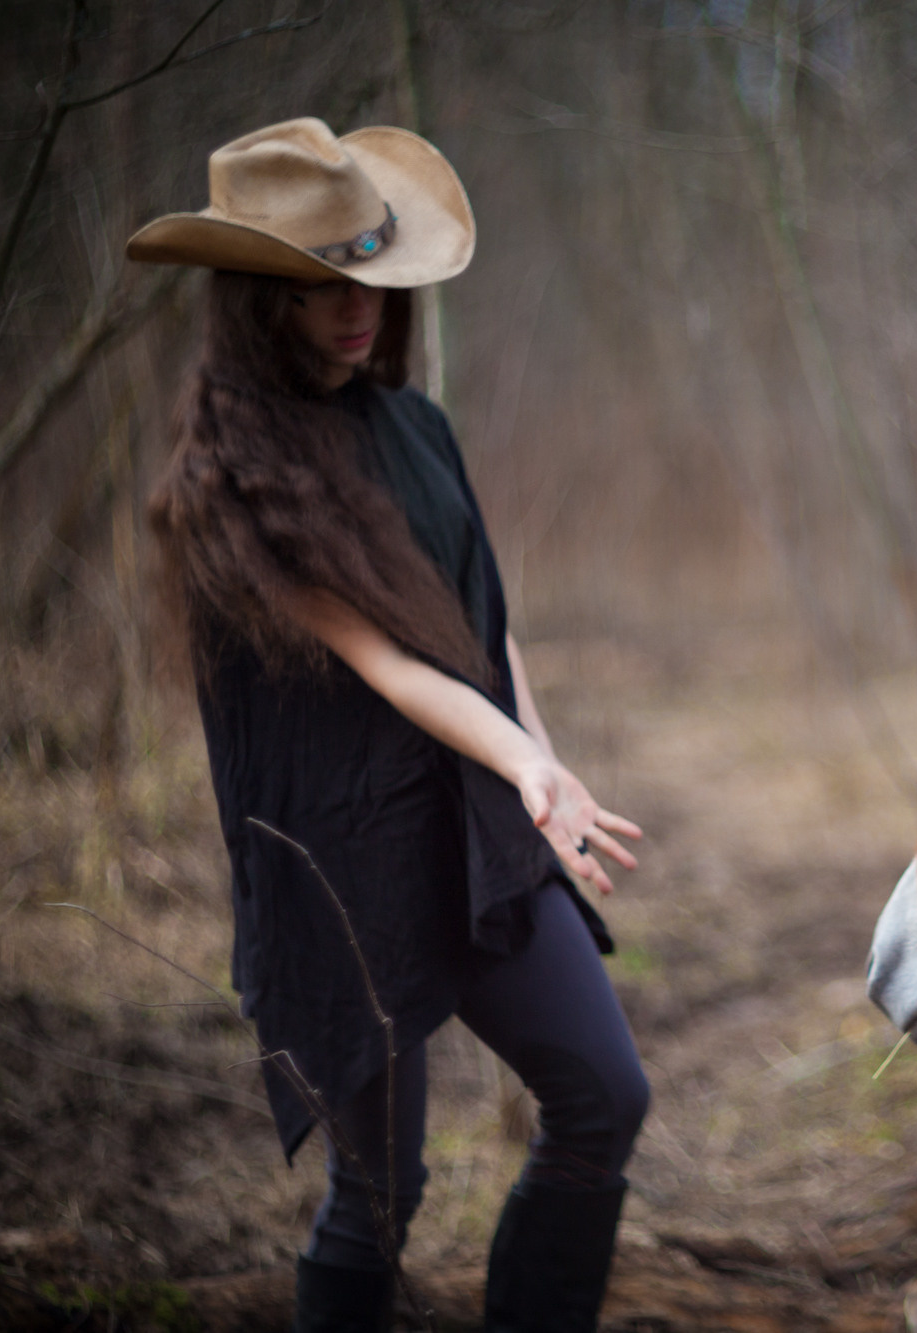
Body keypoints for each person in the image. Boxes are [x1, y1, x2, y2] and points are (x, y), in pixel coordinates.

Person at [131, 118, 647, 1332]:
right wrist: (520, 758)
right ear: (259, 300)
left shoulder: (417, 429)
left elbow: (478, 623)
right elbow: (387, 664)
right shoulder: (229, 481)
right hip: (346, 862)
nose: (354, 308)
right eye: (317, 288)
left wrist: (544, 765)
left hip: (474, 825)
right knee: (379, 1195)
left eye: (367, 273)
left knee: (602, 1097)